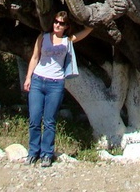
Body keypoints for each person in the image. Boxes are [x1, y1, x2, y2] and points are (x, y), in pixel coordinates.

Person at [23, 11, 92, 167]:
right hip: (38, 80)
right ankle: (33, 152)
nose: (57, 25)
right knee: (34, 119)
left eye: (61, 23)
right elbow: (35, 57)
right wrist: (28, 77)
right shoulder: (43, 37)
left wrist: (94, 21)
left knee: (49, 121)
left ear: (66, 26)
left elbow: (86, 31)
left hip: (56, 83)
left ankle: (47, 154)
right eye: (56, 22)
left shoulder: (67, 41)